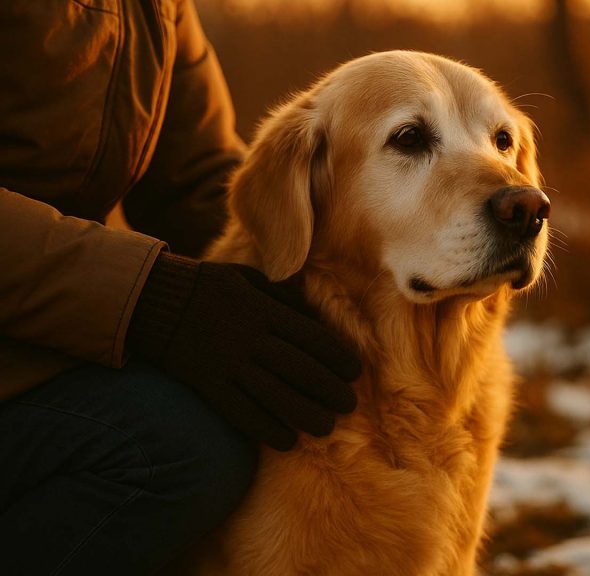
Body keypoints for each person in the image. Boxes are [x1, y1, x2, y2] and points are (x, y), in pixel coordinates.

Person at [0, 1, 362, 573]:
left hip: (47, 334)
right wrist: (153, 297)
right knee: (175, 447)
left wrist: (312, 282)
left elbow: (197, 182)